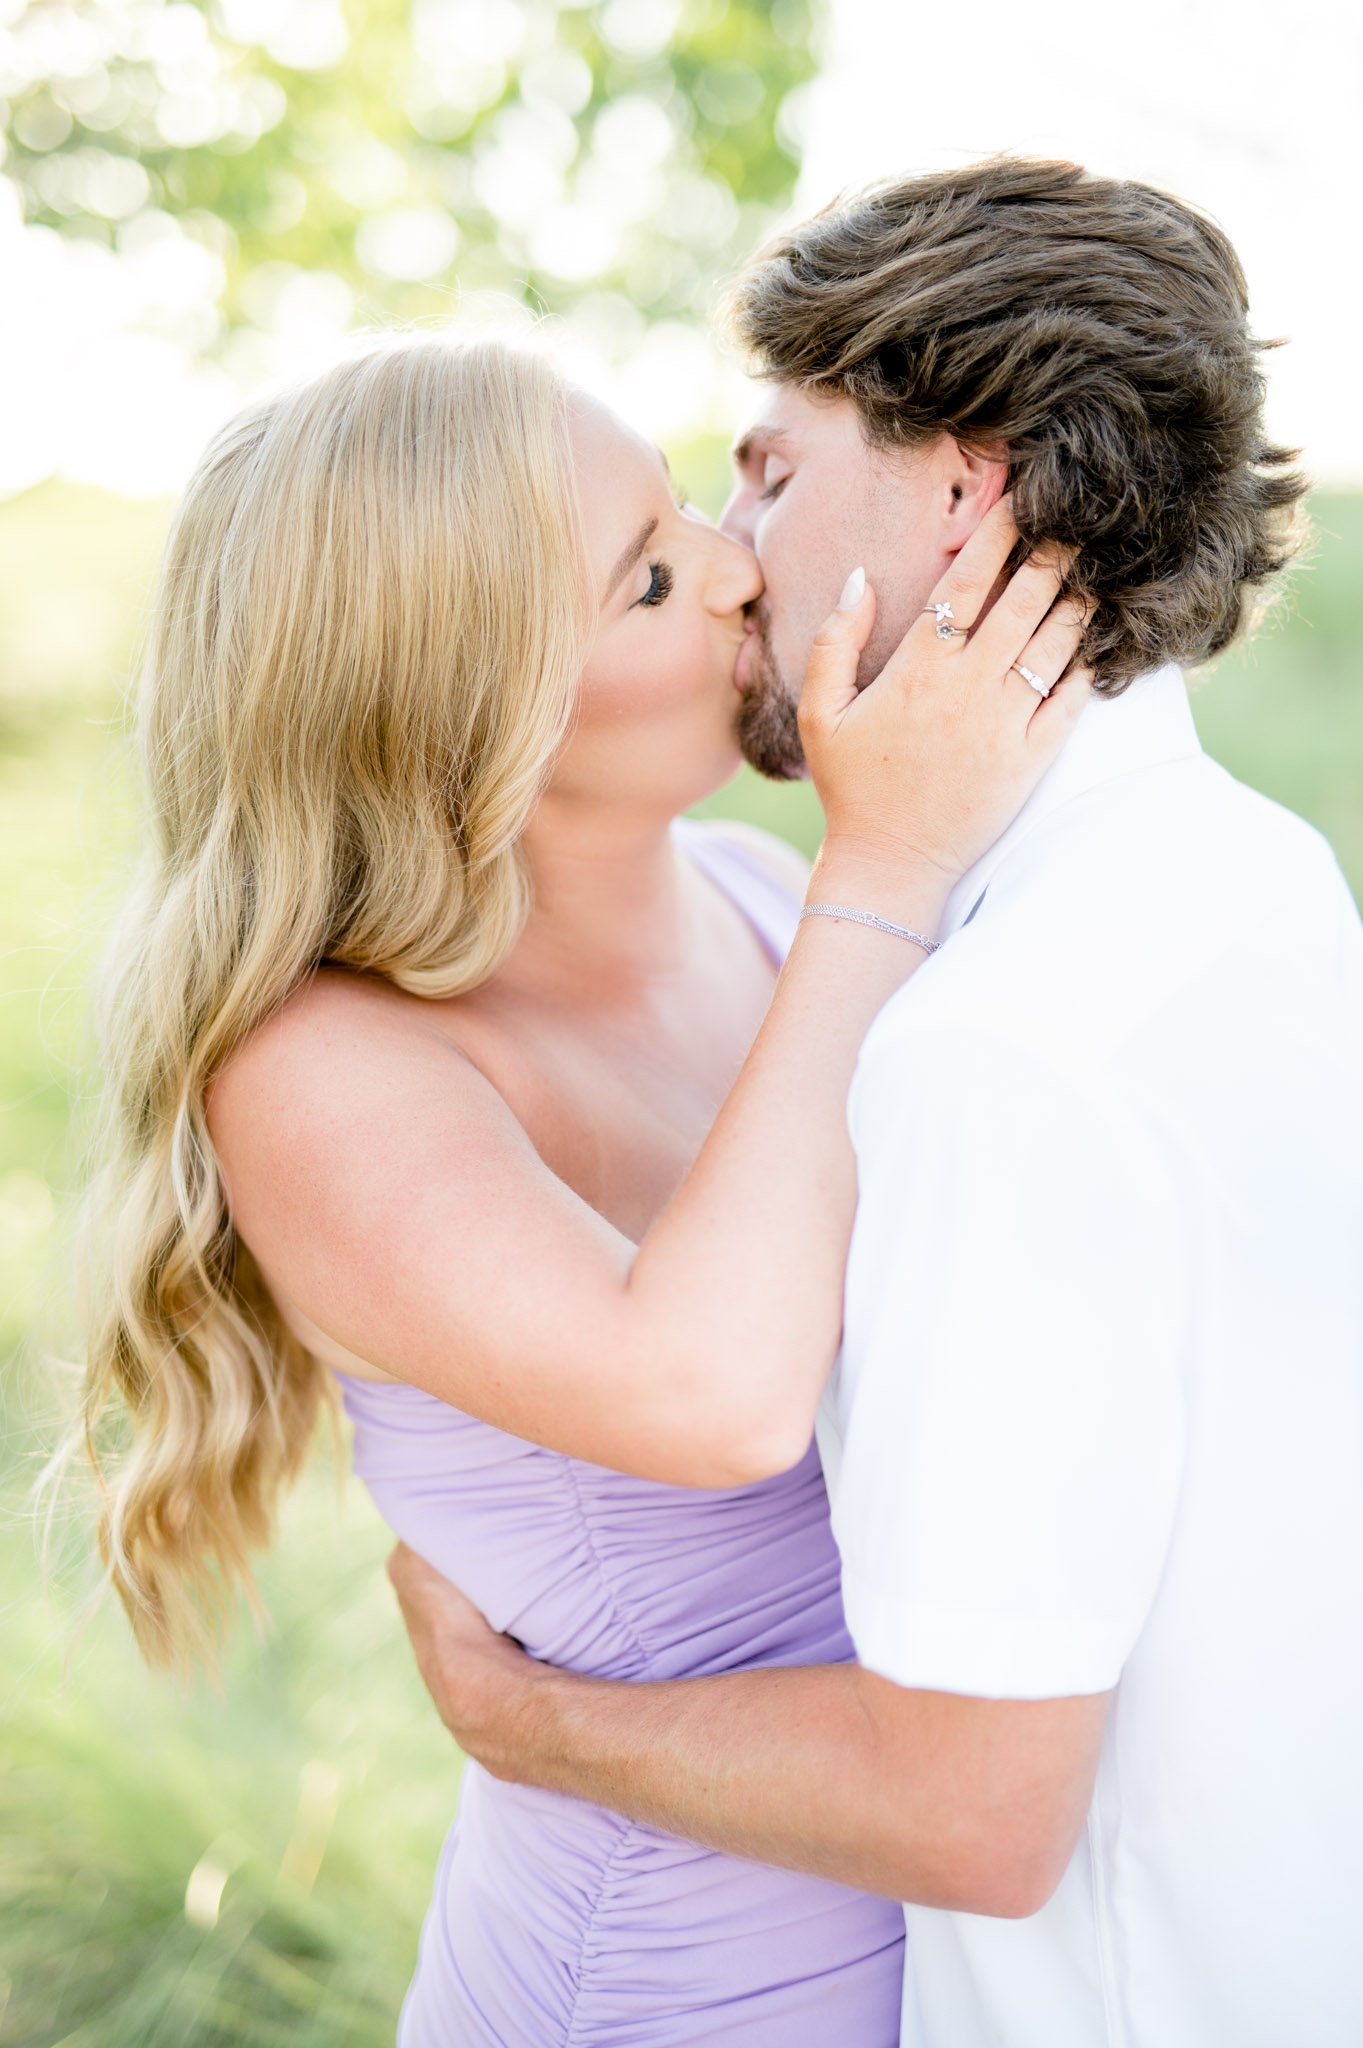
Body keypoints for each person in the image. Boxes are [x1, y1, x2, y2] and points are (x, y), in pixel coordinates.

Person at [388, 160, 1363, 2047]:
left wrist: (530, 1725)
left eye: (768, 468)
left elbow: (971, 1811)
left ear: (963, 485)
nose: (738, 550)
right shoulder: (1264, 877)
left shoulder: (993, 1054)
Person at [75, 327, 1088, 2044]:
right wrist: (892, 864)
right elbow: (710, 1398)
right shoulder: (324, 1071)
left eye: (691, 508)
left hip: (953, 1966)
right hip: (666, 1983)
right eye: (643, 578)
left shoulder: (762, 899)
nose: (732, 568)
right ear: (461, 717)